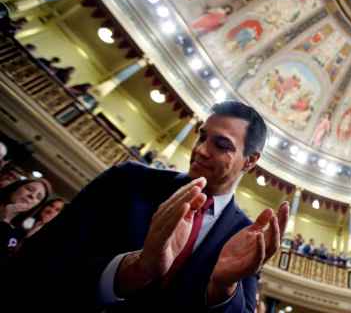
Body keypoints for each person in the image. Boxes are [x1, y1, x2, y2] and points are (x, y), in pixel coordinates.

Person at [11, 101, 289, 312]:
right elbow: (40, 256)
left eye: (221, 145)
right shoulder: (127, 180)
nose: (202, 150)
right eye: (202, 136)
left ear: (250, 161)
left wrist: (223, 289)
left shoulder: (245, 235)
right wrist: (133, 269)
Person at [0, 179, 51, 264]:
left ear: (35, 206)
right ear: (16, 188)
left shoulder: (18, 234)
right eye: (30, 189)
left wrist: (6, 220)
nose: (32, 196)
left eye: (38, 197)